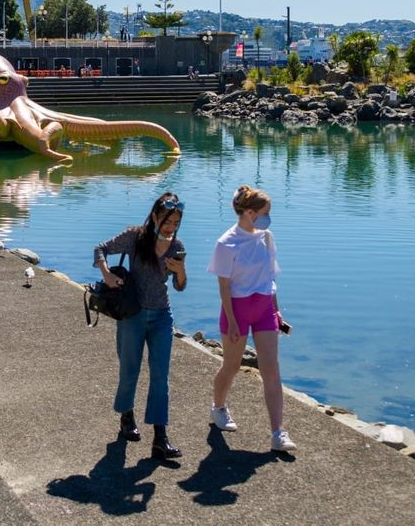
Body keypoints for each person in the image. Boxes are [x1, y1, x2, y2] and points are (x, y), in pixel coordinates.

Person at [94, 192, 188, 460]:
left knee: (160, 376)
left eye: (176, 223)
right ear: (156, 216)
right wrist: (107, 275)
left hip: (162, 316)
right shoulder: (135, 237)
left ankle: (160, 437)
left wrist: (180, 271)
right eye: (167, 221)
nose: (171, 227)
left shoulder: (177, 246)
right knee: (129, 370)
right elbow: (100, 248)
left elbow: (180, 286)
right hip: (133, 313)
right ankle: (126, 416)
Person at [207, 185, 298, 452]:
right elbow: (224, 287)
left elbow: (270, 279)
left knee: (271, 370)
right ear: (249, 212)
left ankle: (277, 433)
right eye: (264, 213)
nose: (268, 218)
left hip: (264, 309)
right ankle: (218, 407)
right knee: (232, 366)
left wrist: (277, 311)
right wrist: (233, 322)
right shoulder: (226, 243)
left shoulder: (266, 237)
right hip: (237, 309)